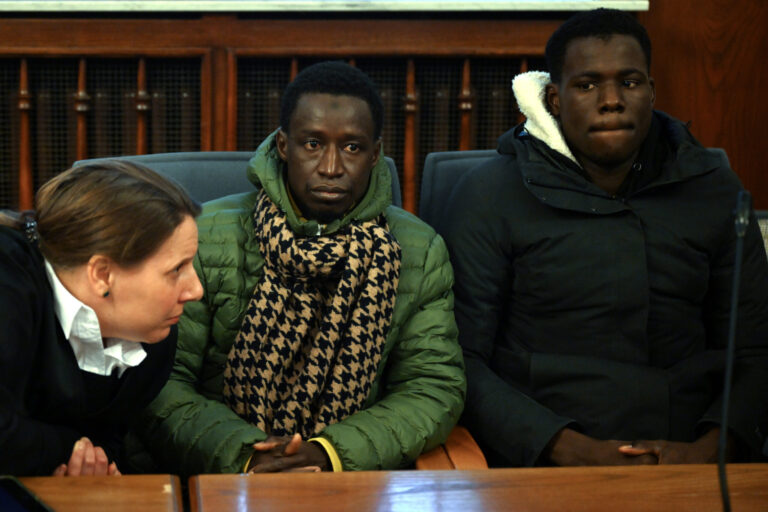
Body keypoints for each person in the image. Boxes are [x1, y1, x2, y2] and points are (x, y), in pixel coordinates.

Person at [443, 8, 768, 467]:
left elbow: (754, 349)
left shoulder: (714, 188)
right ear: (555, 99)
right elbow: (461, 362)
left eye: (629, 82)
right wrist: (568, 449)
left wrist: (711, 450)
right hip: (542, 463)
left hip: (693, 457)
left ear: (651, 91)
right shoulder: (489, 194)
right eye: (587, 85)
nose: (611, 100)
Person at [131, 61, 465, 474]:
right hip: (217, 472)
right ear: (284, 146)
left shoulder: (418, 248)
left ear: (375, 154)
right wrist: (248, 454)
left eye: (352, 147)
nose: (330, 167)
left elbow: (432, 387)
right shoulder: (203, 236)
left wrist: (328, 453)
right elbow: (161, 381)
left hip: (353, 479)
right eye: (312, 144)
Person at [0, 161, 203, 476]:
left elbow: (108, 444)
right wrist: (70, 451)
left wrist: (97, 465)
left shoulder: (152, 335)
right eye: (176, 269)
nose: (196, 290)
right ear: (102, 274)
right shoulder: (8, 284)